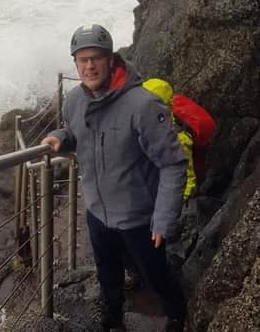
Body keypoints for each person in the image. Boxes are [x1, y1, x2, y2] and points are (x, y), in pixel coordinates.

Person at [42, 24, 188, 332]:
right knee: (106, 272)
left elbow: (173, 164)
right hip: (97, 211)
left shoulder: (143, 105)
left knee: (154, 272)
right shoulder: (74, 101)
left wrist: (163, 220)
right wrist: (60, 137)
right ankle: (113, 319)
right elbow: (76, 134)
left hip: (139, 218)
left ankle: (177, 314)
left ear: (111, 60)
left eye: (96, 58)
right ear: (75, 63)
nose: (89, 66)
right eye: (82, 60)